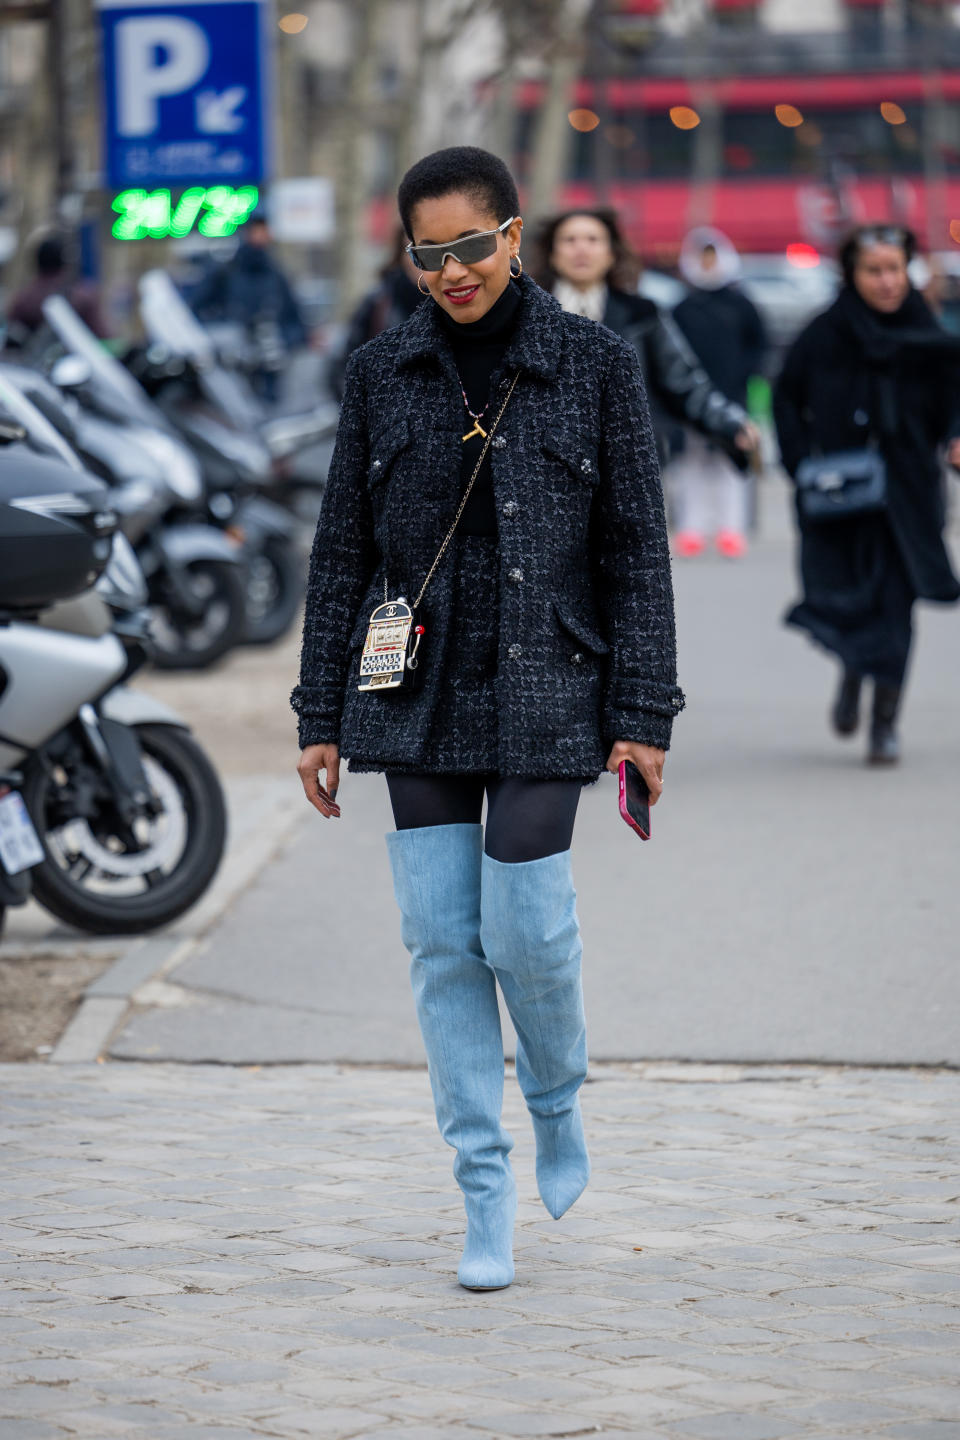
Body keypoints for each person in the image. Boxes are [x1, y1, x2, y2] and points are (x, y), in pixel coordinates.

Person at [292, 147, 684, 1292]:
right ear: (409, 257)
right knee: (440, 945)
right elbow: (340, 554)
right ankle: (482, 1187)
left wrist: (644, 712)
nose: (454, 271)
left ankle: (557, 1101)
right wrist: (321, 709)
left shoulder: (595, 364)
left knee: (526, 928)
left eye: (473, 245)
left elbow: (636, 559)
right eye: (431, 253)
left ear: (516, 235)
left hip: (550, 683)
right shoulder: (380, 371)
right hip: (409, 694)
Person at [774, 224, 960, 765]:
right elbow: (787, 398)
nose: (885, 282)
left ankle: (885, 722)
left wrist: (952, 438)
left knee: (898, 607)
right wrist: (800, 462)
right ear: (852, 275)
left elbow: (954, 401)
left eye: (895, 269)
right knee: (849, 600)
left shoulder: (931, 335)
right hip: (841, 498)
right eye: (873, 270)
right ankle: (854, 671)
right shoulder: (825, 333)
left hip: (908, 495)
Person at [534, 208, 759, 557]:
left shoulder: (642, 314)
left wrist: (729, 422)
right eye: (570, 240)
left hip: (625, 471)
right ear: (552, 252)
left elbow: (683, 382)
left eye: (593, 240)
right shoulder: (528, 316)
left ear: (611, 253)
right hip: (541, 472)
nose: (581, 249)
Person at [669, 227, 768, 558]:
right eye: (703, 258)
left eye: (713, 258)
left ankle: (731, 528)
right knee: (691, 463)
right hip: (689, 401)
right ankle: (692, 528)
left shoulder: (741, 304)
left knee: (731, 462)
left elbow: (759, 348)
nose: (708, 265)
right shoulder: (682, 307)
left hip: (731, 397)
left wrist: (747, 380)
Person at [191, 213, 308, 402]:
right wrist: (223, 334)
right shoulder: (226, 271)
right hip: (232, 364)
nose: (261, 235)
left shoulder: (275, 275)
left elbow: (293, 317)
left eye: (265, 230)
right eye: (257, 230)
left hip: (269, 363)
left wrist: (286, 342)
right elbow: (197, 309)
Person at [328, 227, 424, 401]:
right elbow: (343, 368)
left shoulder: (456, 306)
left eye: (430, 247)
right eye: (412, 248)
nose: (419, 258)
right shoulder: (379, 302)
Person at [5, 234, 108, 343]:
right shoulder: (82, 297)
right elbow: (103, 335)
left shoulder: (24, 299)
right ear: (65, 263)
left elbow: (10, 336)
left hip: (29, 359)